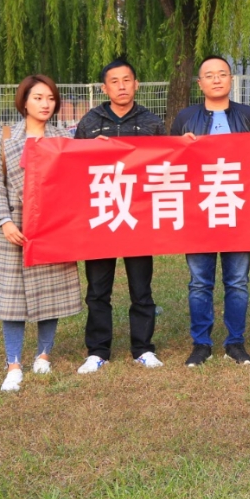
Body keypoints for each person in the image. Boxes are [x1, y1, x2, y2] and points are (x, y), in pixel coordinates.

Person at [0, 75, 83, 391]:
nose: (45, 104)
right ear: (24, 101)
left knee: (49, 293)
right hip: (14, 228)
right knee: (11, 299)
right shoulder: (4, 137)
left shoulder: (63, 137)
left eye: (50, 98)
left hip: (52, 228)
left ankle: (43, 355)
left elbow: (77, 177)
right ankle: (13, 363)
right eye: (38, 98)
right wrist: (4, 221)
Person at [169, 55, 250, 367]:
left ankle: (235, 342)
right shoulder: (185, 118)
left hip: (238, 210)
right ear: (200, 83)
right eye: (209, 75)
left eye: (222, 74)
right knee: (199, 281)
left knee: (237, 280)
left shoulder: (248, 116)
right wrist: (180, 146)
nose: (216, 79)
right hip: (199, 211)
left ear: (231, 80)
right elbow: (170, 164)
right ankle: (201, 343)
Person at [73, 57, 167, 374]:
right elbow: (73, 166)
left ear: (136, 84)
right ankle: (98, 350)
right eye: (114, 81)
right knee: (98, 289)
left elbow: (166, 165)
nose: (122, 86)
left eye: (127, 80)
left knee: (141, 288)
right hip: (101, 214)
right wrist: (90, 149)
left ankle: (143, 348)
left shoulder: (151, 122)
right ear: (104, 88)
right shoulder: (89, 123)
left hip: (138, 216)